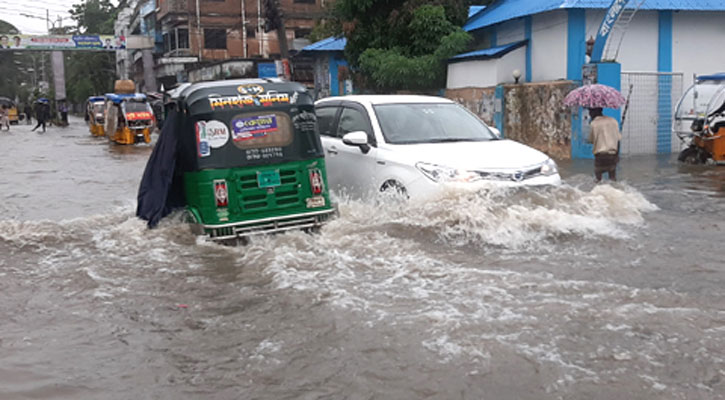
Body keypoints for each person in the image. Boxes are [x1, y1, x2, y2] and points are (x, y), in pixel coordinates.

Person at [587, 107, 622, 182]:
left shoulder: (594, 124)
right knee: (613, 178)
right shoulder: (613, 121)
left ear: (595, 112)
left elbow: (591, 140)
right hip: (612, 155)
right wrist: (617, 155)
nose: (589, 114)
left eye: (590, 112)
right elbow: (618, 140)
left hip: (600, 155)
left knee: (597, 179)